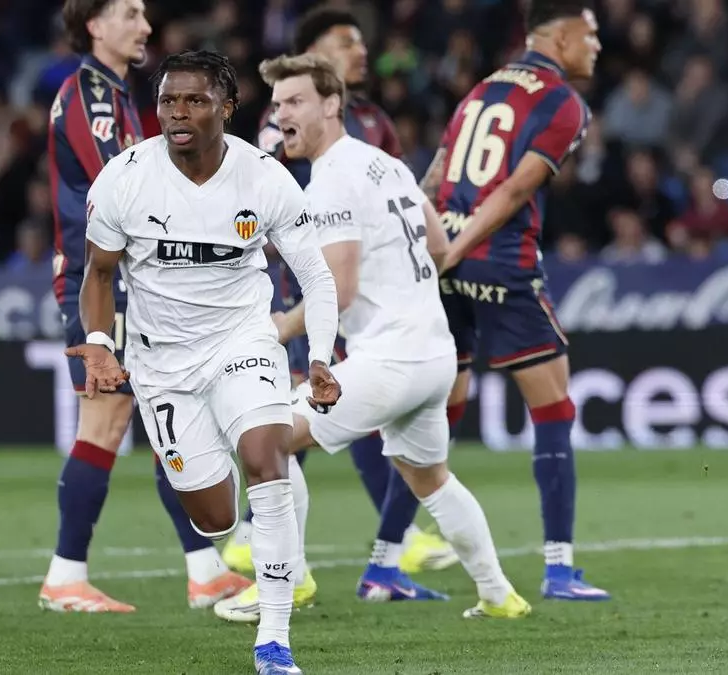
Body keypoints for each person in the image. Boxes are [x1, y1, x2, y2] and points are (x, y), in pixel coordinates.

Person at [216, 54, 531, 624]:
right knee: (429, 477)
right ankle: (498, 594)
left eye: (295, 101)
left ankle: (289, 580)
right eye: (278, 103)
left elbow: (338, 289)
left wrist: (278, 326)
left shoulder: (332, 179)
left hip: (392, 357)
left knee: (267, 439)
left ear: (332, 105)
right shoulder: (385, 163)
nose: (281, 114)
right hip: (433, 352)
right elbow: (439, 246)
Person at [67, 49, 339, 675]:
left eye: (195, 100)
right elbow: (99, 274)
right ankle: (221, 454)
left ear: (227, 107)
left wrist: (321, 357)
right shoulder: (124, 179)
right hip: (163, 365)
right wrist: (101, 343)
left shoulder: (265, 178)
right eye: (168, 101)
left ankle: (274, 641)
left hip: (242, 341)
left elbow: (317, 276)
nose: (178, 113)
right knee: (215, 520)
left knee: (268, 459)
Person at [223, 7, 457, 588]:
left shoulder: (372, 120)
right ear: (313, 55)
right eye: (344, 43)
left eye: (359, 42)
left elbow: (402, 198)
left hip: (365, 291)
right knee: (306, 409)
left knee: (332, 409)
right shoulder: (282, 124)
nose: (359, 51)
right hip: (308, 284)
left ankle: (335, 550)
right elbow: (255, 193)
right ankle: (262, 537)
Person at [41, 0, 251, 613]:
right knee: (105, 421)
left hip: (134, 280)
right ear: (94, 24)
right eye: (130, 13)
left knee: (169, 417)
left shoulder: (116, 95)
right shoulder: (92, 96)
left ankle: (205, 570)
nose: (145, 26)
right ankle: (65, 575)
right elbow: (122, 186)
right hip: (102, 281)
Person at [419, 0, 610, 601]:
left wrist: (426, 244)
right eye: (590, 34)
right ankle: (559, 569)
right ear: (560, 36)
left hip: (444, 260)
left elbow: (436, 175)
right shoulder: (562, 101)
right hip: (499, 262)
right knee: (553, 409)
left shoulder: (481, 88)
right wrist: (459, 248)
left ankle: (384, 562)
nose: (597, 45)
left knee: (436, 414)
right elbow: (513, 190)